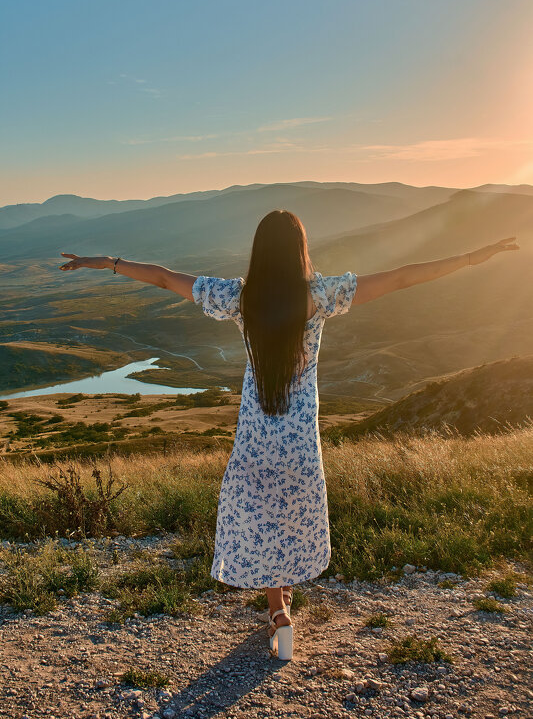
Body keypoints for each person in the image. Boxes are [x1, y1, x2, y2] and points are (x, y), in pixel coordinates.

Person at [59, 210, 519, 659]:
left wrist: (107, 262)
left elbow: (163, 277)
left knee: (261, 517)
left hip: (256, 431)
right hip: (299, 437)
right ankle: (283, 610)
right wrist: (473, 257)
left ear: (259, 252)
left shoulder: (238, 297)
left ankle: (278, 610)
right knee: (291, 516)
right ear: (300, 250)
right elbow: (400, 277)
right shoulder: (319, 296)